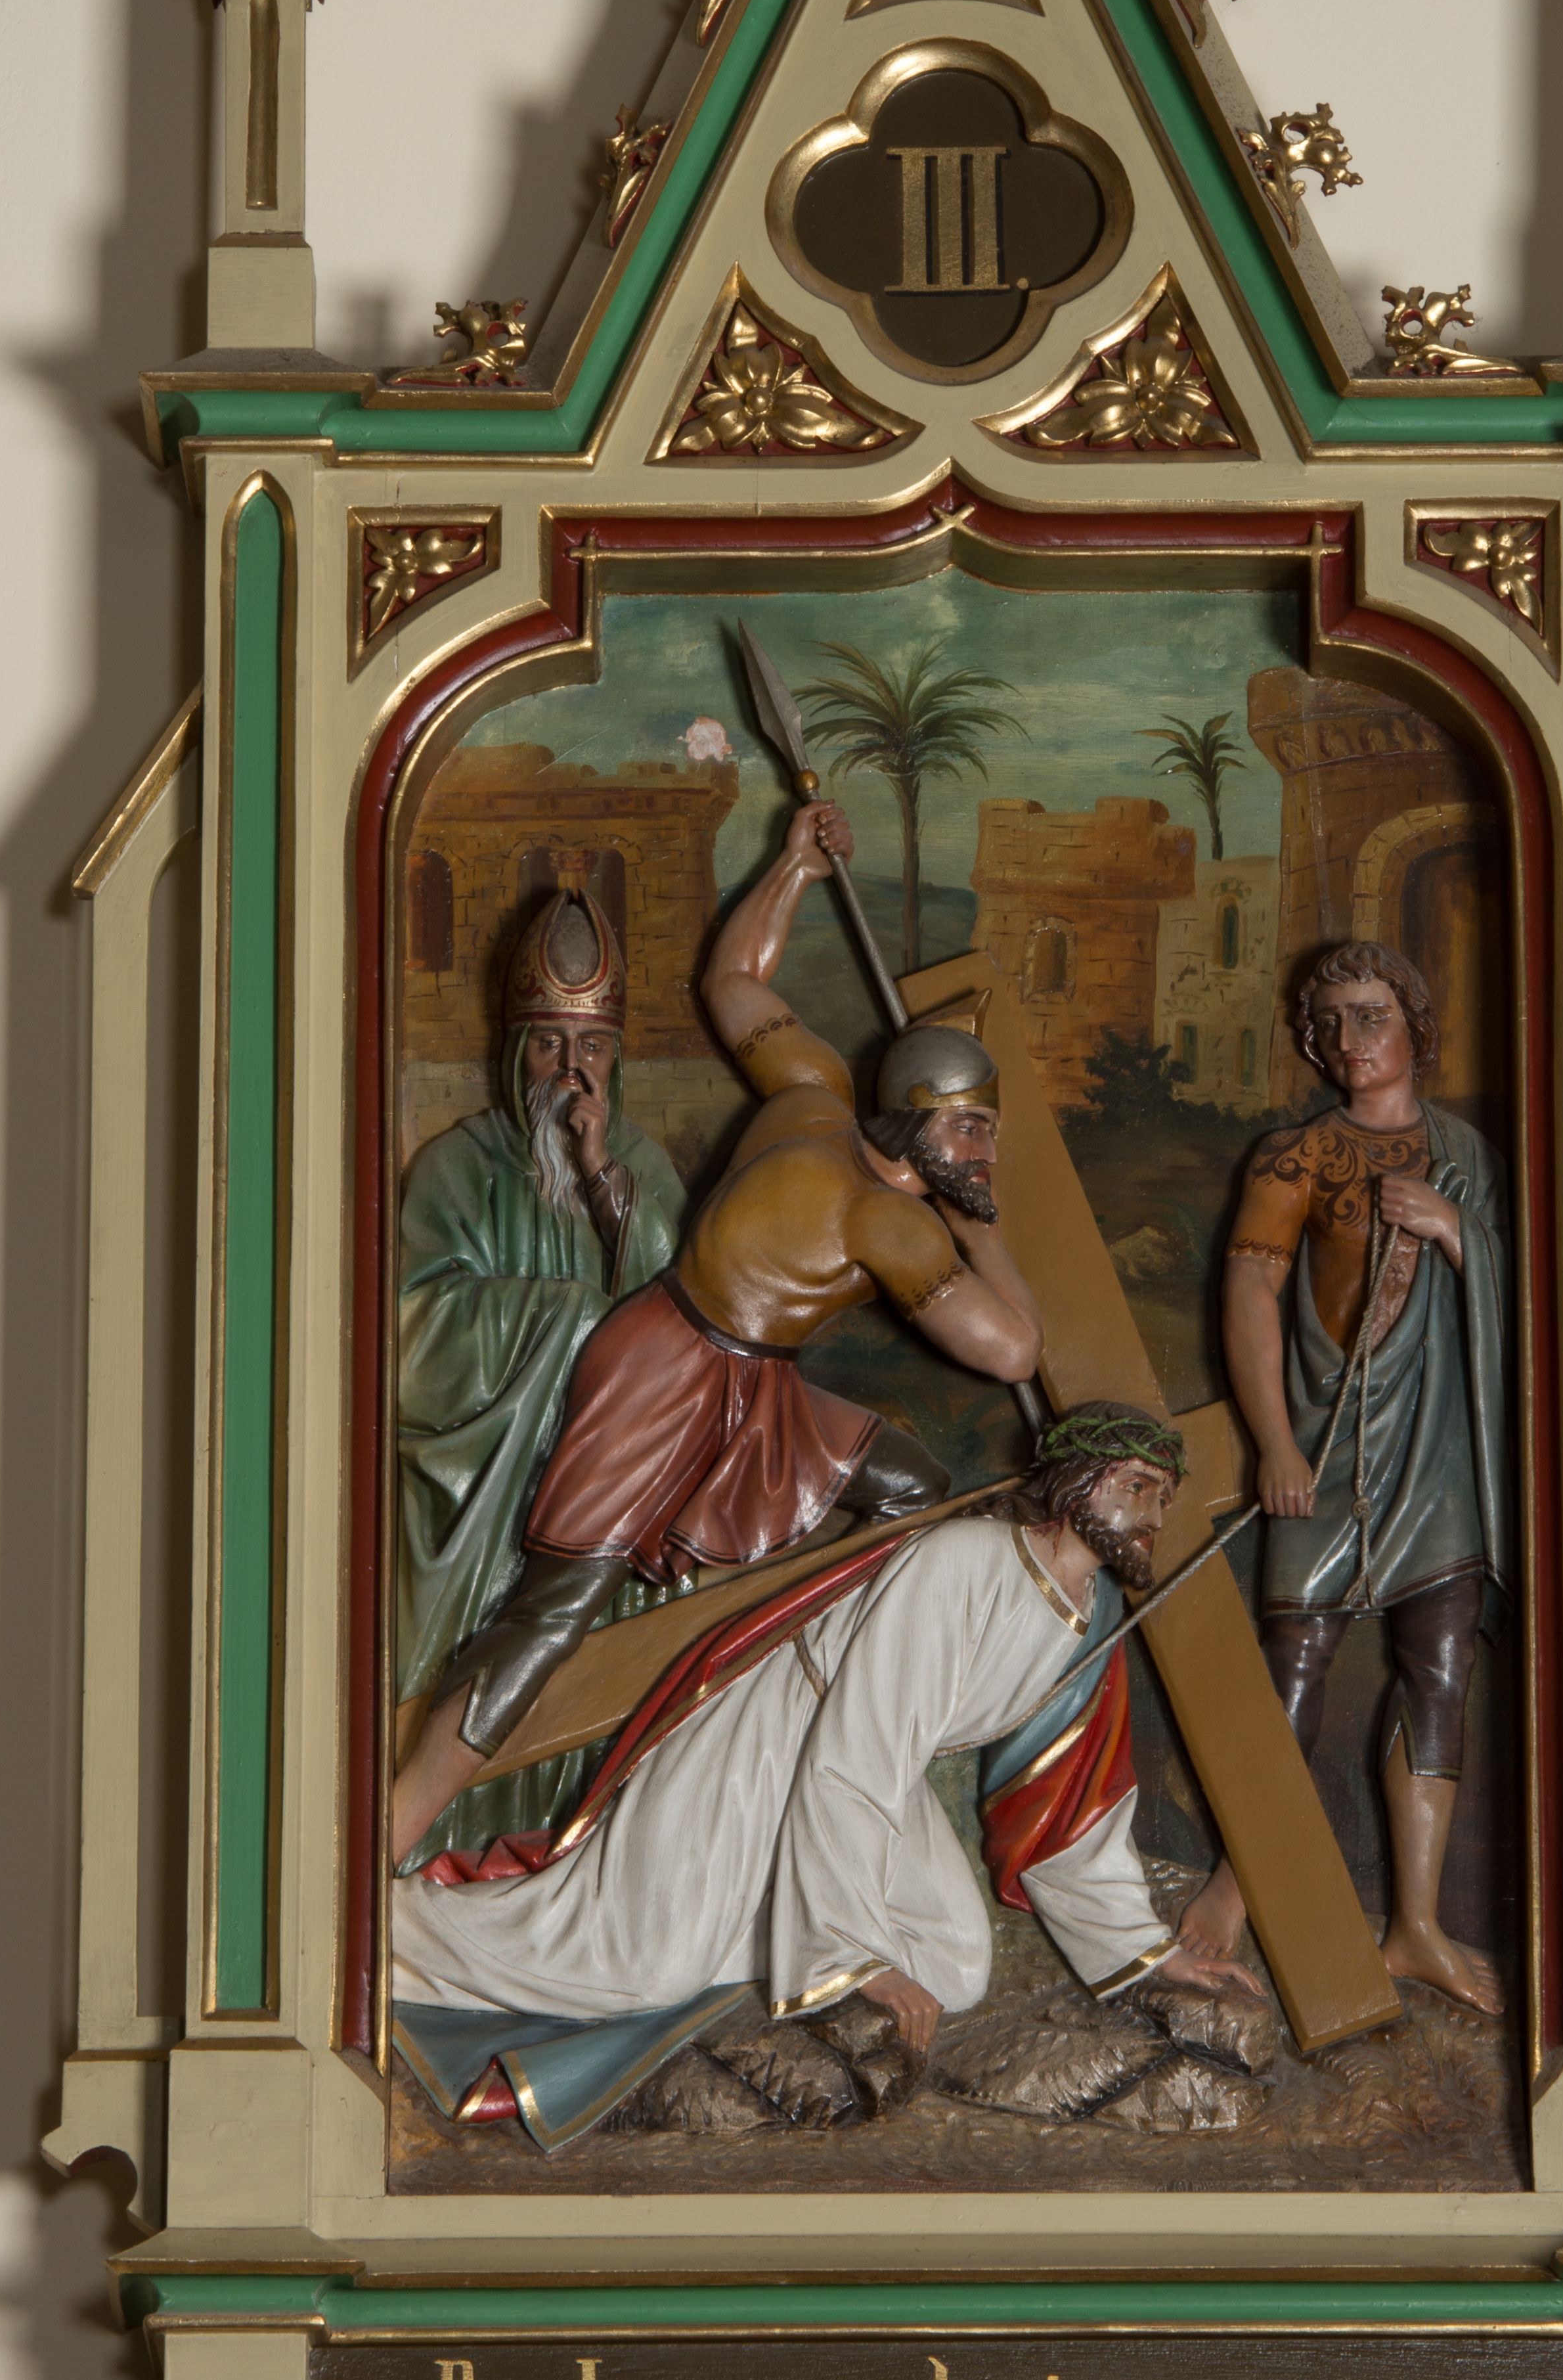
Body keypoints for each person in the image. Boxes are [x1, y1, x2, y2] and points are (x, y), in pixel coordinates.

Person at [389, 796, 1044, 1865]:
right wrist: (989, 1231)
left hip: (754, 1386)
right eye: (970, 1130)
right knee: (556, 1606)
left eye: (989, 1135)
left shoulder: (812, 1088)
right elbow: (1013, 1350)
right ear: (918, 1120)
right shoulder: (892, 1225)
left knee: (914, 1487)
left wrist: (793, 865)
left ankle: (800, 1694)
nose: (982, 1154)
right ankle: (401, 1818)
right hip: (667, 1372)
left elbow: (731, 978)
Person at [389, 1403, 1255, 2146]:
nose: (1152, 1513)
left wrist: (1146, 1953)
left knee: (953, 1964)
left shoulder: (1086, 1617)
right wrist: (854, 1955)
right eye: (1135, 1486)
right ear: (1075, 1484)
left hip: (872, 1765)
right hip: (773, 1734)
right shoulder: (965, 1561)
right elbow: (856, 1749)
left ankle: (773, 1923)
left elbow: (1067, 1799)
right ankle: (385, 1928)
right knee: (641, 1962)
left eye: (1164, 1497)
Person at [1183, 940, 1509, 2015]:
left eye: (1371, 1016)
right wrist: (1275, 1442)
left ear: (1415, 1025)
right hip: (1329, 1438)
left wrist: (1455, 1231)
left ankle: (1416, 1923)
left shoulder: (1467, 1156)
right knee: (1296, 1657)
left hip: (1443, 1449)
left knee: (1439, 1667)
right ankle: (1238, 1884)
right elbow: (1251, 1298)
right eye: (1327, 1023)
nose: (1347, 1039)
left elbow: (1536, 1290)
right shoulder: (1295, 1157)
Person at [397, 886, 686, 1866]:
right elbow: (412, 1335)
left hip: (612, 1486)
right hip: (492, 1483)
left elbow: (685, 1322)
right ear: (513, 1050)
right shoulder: (458, 1167)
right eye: (550, 1045)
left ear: (618, 1058)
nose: (572, 1071)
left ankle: (585, 1867)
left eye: (593, 1047)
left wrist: (606, 1183)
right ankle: (448, 1851)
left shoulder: (642, 1167)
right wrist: (563, 1322)